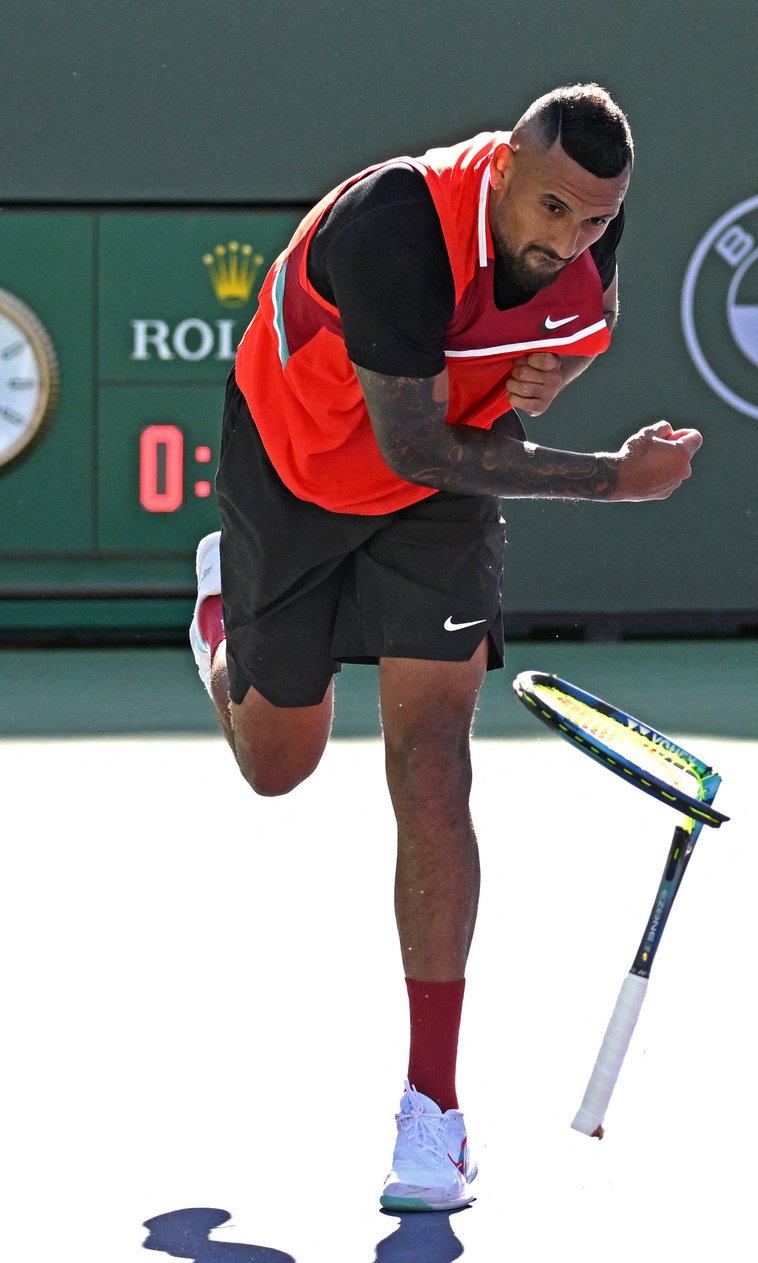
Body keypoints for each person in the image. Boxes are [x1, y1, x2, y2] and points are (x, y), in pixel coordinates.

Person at [188, 82, 703, 1212]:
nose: (572, 236)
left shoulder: (586, 234)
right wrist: (614, 479)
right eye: (555, 208)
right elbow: (412, 443)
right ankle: (223, 620)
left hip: (439, 498)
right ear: (506, 164)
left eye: (597, 219)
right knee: (278, 766)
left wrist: (552, 372)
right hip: (301, 472)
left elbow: (568, 334)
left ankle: (433, 1114)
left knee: (432, 770)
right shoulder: (396, 225)